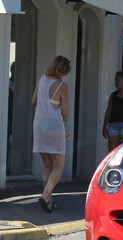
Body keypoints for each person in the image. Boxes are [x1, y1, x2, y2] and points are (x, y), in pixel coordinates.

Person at [32, 55, 71, 213]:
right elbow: (66, 112)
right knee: (59, 164)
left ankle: (49, 201)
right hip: (54, 126)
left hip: (39, 125)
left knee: (47, 164)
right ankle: (45, 195)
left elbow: (33, 101)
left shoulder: (41, 79)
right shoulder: (62, 85)